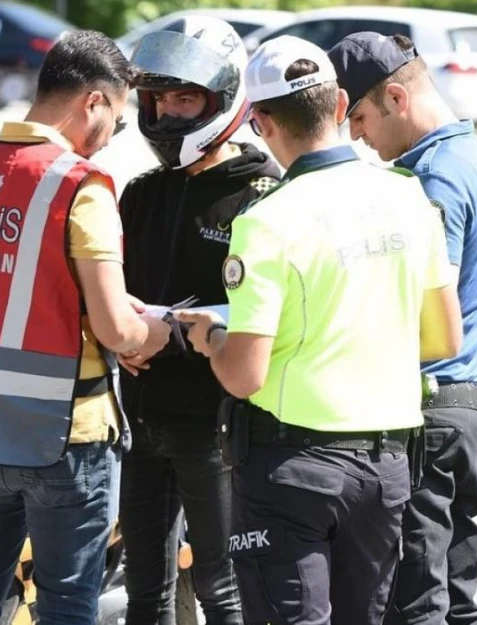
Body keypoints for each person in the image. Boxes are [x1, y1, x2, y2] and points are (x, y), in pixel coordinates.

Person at [175, 34, 464, 625]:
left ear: (261, 122)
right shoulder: (408, 197)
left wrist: (210, 339)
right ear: (338, 106)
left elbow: (244, 376)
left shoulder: (267, 222)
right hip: (386, 468)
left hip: (294, 470)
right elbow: (442, 341)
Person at [0, 29, 172, 625]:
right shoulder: (80, 186)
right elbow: (118, 330)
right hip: (66, 434)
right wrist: (161, 332)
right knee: (66, 603)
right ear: (92, 101)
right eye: (115, 117)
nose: (113, 136)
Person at [327, 32, 477, 625]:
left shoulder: (431, 179)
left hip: (426, 415)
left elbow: (427, 304)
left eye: (357, 115)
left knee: (414, 604)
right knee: (455, 601)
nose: (355, 134)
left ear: (397, 99)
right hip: (470, 410)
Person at [116, 16, 282, 625]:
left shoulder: (261, 192)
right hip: (139, 417)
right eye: (159, 98)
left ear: (222, 97)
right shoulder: (141, 193)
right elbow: (108, 289)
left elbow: (268, 309)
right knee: (145, 591)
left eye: (185, 97)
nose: (168, 112)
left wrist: (172, 335)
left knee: (223, 587)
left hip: (216, 426)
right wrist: (116, 336)